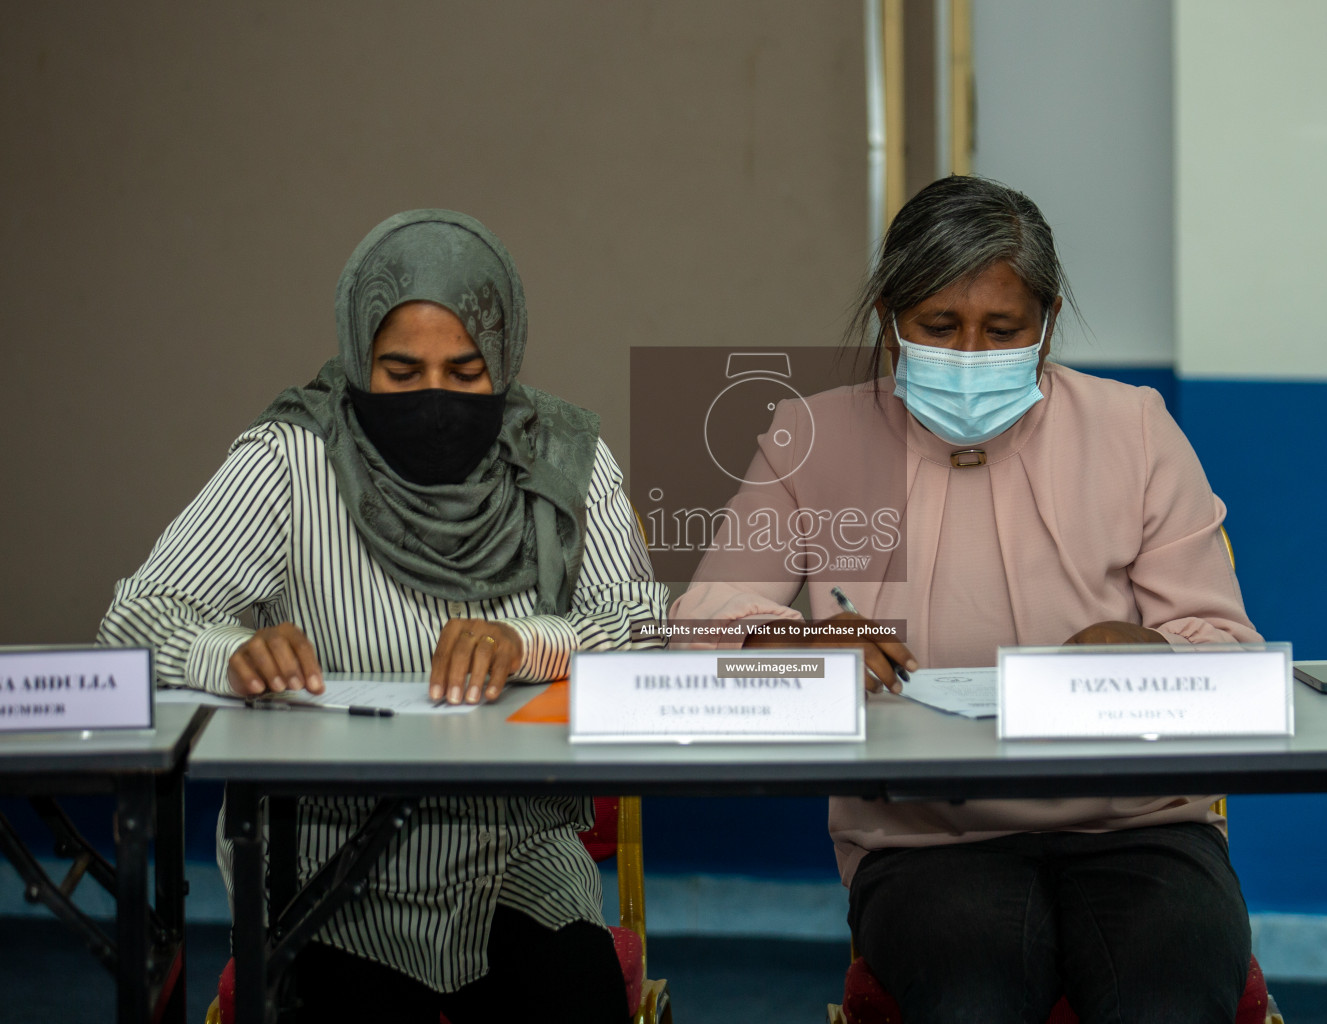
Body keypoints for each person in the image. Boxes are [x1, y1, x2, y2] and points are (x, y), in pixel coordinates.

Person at [670, 176, 1261, 1022]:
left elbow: (1230, 651)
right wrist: (789, 643)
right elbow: (699, 628)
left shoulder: (1134, 429)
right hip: (921, 835)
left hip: (1142, 823)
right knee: (974, 993)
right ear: (889, 320)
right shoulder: (812, 437)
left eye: (1004, 330)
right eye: (940, 329)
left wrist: (1147, 651)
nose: (972, 356)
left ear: (1048, 323)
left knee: (1164, 995)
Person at [98, 209, 663, 1023]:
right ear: (358, 355)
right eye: (400, 373)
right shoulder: (290, 461)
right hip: (332, 880)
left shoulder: (565, 459)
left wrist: (528, 643)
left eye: (466, 372)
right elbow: (135, 619)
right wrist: (230, 653)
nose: (433, 398)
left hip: (520, 869)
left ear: (502, 358)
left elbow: (645, 626)